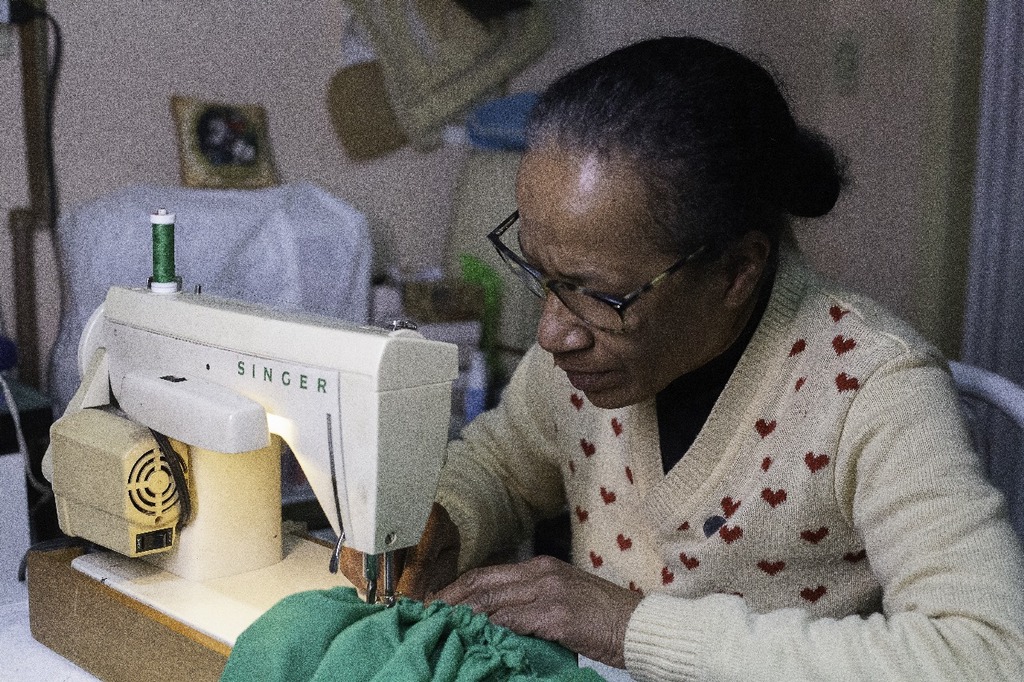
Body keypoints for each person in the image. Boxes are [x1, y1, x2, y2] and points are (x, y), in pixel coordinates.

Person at [345, 36, 1024, 680]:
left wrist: (630, 625)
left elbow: (989, 653)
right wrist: (445, 520)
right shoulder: (583, 353)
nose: (552, 333)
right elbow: (504, 462)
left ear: (736, 272)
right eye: (539, 273)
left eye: (598, 294)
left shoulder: (872, 389)